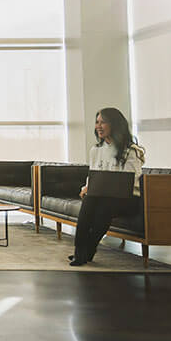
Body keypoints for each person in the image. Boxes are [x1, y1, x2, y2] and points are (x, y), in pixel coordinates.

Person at [69, 107, 146, 266]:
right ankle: (79, 251)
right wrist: (87, 187)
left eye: (103, 122)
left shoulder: (130, 151)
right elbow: (93, 176)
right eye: (97, 122)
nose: (98, 126)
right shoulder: (96, 150)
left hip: (128, 199)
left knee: (104, 205)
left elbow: (131, 181)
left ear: (115, 125)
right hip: (103, 196)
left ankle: (88, 249)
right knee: (89, 200)